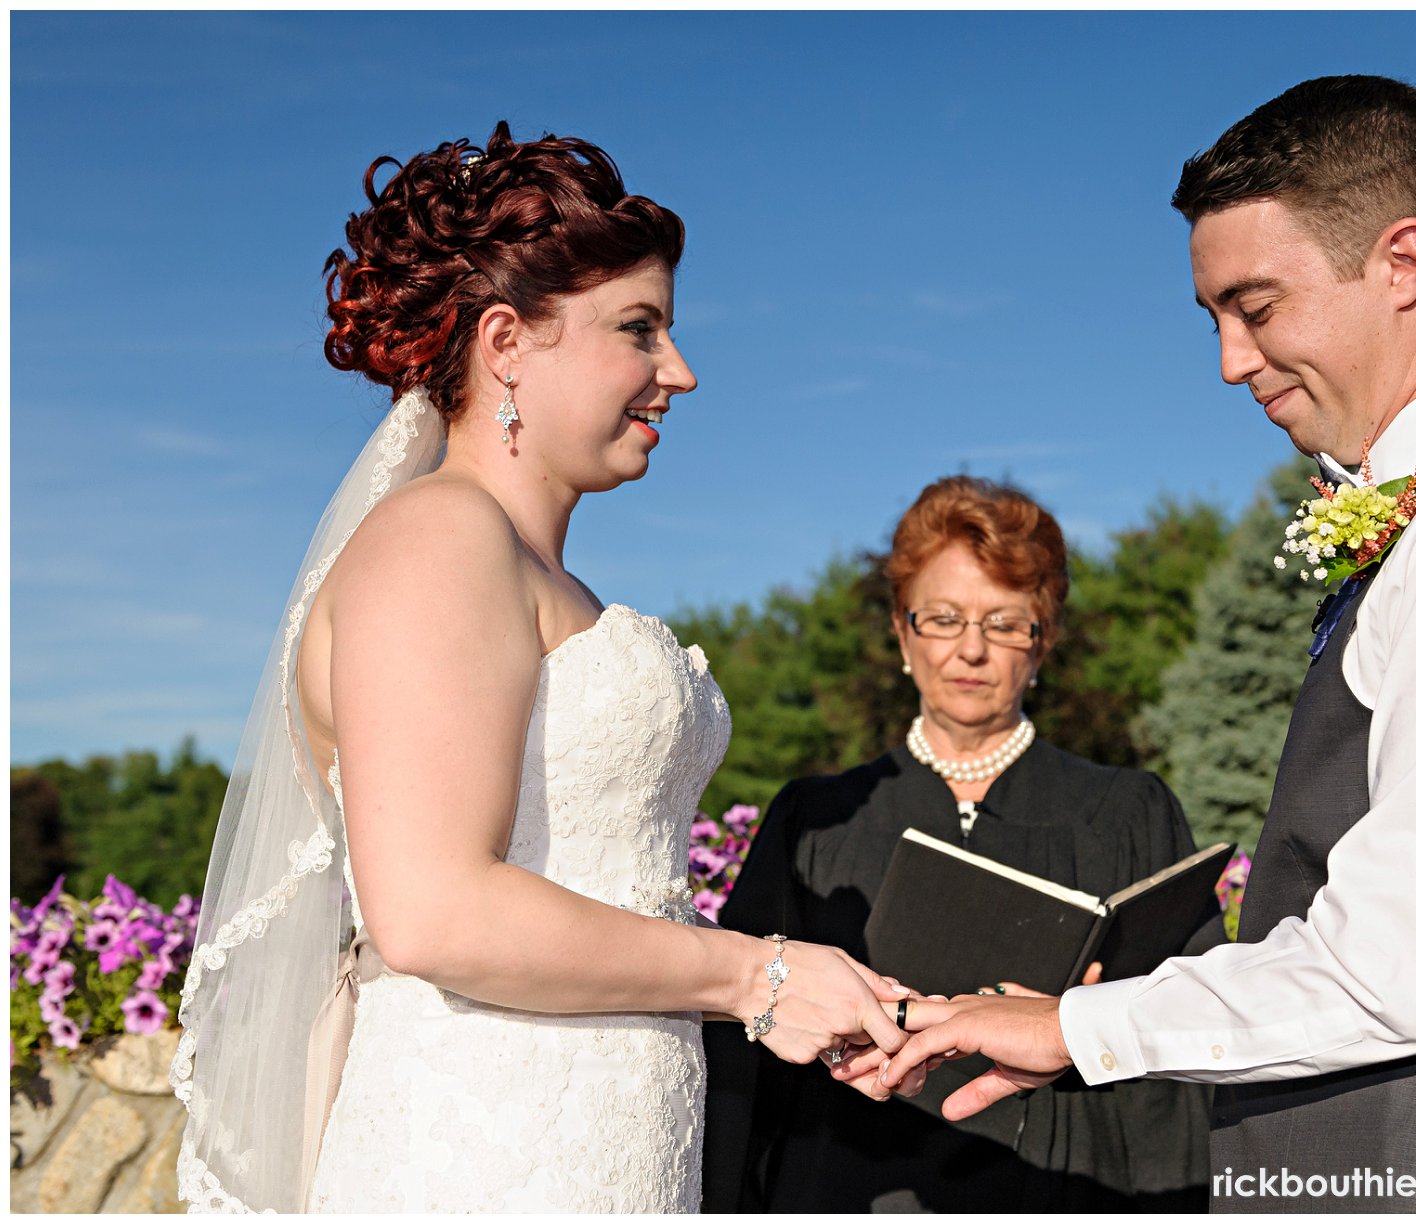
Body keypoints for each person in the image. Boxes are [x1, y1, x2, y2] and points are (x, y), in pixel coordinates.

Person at [884, 76, 1416, 1213]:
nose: (1229, 360)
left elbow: (1408, 963)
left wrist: (1077, 1027)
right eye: (1213, 316)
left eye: (1257, 306)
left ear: (1405, 263)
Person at [169, 122, 912, 1214]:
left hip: (611, 1136)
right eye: (640, 330)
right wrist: (757, 977)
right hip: (483, 1148)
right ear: (508, 343)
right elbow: (433, 912)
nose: (682, 372)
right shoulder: (439, 541)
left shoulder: (527, 569)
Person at [703, 474, 1220, 1212]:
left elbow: (1189, 1027)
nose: (971, 650)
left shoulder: (1129, 811)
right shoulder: (816, 819)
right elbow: (743, 1039)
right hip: (855, 1180)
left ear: (1042, 643)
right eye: (943, 618)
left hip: (1065, 1179)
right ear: (901, 631)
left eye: (1006, 623)